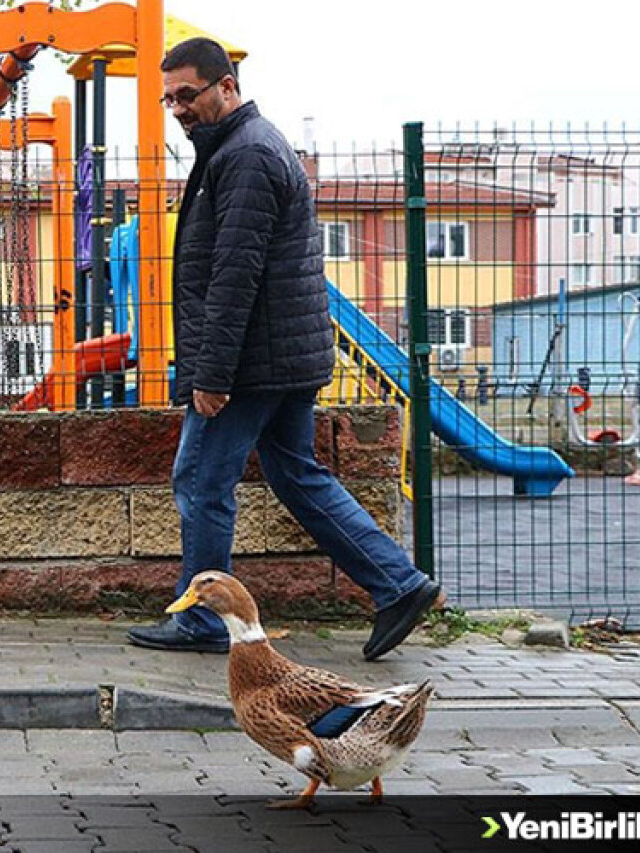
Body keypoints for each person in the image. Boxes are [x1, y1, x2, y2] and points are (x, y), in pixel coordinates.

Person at [126, 37, 443, 662]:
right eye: (170, 100)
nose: (179, 109)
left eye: (187, 95)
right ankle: (399, 584)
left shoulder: (244, 156)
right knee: (297, 474)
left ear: (227, 86)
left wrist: (212, 375)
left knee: (201, 480)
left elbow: (234, 275)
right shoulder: (242, 148)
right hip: (280, 356)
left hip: (251, 363)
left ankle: (204, 622)